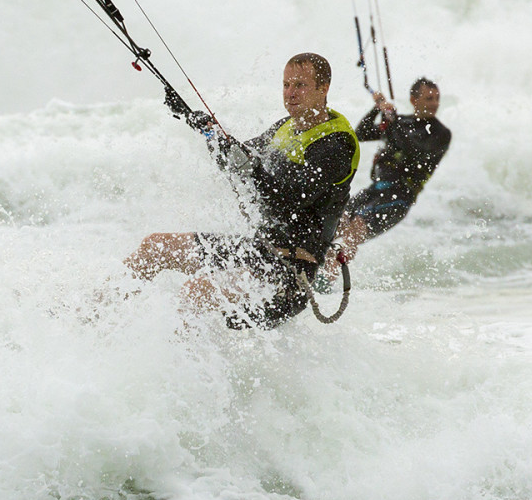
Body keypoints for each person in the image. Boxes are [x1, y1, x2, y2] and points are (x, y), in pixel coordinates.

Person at [125, 52, 360, 328]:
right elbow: (238, 158)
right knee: (155, 246)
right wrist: (203, 127)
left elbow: (289, 201)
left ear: (323, 89)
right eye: (286, 85)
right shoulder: (285, 127)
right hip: (260, 252)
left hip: (291, 274)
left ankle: (176, 365)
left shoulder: (335, 144)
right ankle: (100, 314)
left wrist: (251, 168)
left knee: (197, 291)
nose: (290, 93)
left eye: (300, 85)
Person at [328, 78, 451, 270]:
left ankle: (329, 279)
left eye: (436, 98)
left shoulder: (440, 133)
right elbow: (360, 133)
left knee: (356, 227)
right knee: (336, 222)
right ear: (413, 100)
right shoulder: (401, 122)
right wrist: (378, 108)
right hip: (375, 190)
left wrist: (392, 122)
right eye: (429, 98)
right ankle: (314, 270)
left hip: (400, 196)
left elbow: (415, 149)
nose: (435, 103)